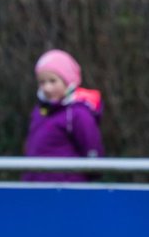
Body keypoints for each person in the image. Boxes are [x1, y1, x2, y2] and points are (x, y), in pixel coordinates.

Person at [23, 49, 105, 183]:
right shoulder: (39, 112)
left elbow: (92, 150)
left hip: (67, 190)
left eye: (53, 81)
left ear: (68, 82)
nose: (47, 88)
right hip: (36, 186)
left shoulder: (77, 114)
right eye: (42, 82)